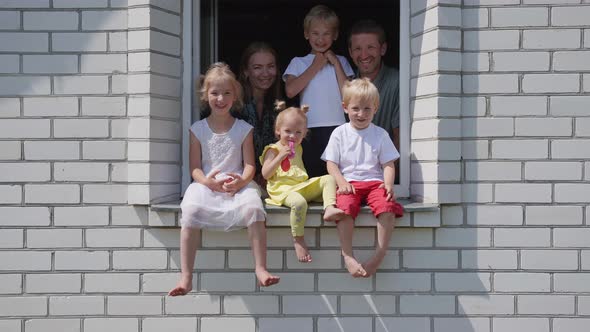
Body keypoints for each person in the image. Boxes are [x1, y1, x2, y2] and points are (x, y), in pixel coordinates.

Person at [169, 63, 279, 296]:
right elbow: (195, 168)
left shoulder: (243, 128)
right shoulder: (197, 129)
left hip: (236, 184)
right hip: (207, 184)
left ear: (235, 95)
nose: (221, 98)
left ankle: (260, 268)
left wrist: (242, 181)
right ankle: (186, 275)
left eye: (227, 93)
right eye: (215, 93)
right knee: (189, 208)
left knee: (253, 207)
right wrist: (208, 183)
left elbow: (250, 165)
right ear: (205, 95)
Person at [322, 78, 404, 278]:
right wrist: (341, 182)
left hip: (375, 183)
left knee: (387, 207)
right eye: (356, 108)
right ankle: (348, 255)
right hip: (349, 183)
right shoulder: (339, 133)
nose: (361, 114)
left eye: (367, 109)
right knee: (344, 209)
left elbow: (388, 164)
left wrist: (388, 184)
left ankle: (379, 254)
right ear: (345, 107)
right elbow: (331, 163)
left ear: (375, 108)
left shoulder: (380, 134)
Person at [260, 102, 344, 262]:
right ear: (278, 131)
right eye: (288, 131)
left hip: (299, 186)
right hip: (282, 190)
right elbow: (265, 174)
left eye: (298, 132)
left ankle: (329, 207)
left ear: (305, 133)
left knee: (328, 178)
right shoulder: (273, 149)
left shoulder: (299, 147)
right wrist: (280, 156)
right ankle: (298, 239)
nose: (293, 136)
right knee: (299, 203)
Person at [283, 4, 354, 178]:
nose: (320, 39)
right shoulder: (298, 62)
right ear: (307, 34)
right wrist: (316, 65)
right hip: (309, 129)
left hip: (338, 127)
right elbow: (290, 91)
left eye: (326, 34)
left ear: (335, 35)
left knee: (337, 172)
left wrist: (336, 63)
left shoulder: (342, 61)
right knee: (313, 172)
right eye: (315, 33)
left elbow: (350, 95)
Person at [348, 19, 400, 181]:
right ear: (350, 52)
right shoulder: (345, 82)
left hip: (382, 177)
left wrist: (391, 180)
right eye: (357, 49)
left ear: (382, 49)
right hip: (350, 178)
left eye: (370, 47)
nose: (363, 55)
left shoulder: (397, 81)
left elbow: (400, 136)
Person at [238, 42, 283, 187]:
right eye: (257, 67)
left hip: (273, 180)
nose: (265, 73)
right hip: (239, 180)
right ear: (246, 72)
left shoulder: (280, 108)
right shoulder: (234, 106)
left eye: (270, 66)